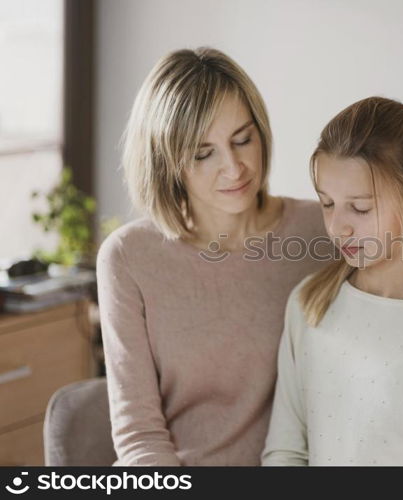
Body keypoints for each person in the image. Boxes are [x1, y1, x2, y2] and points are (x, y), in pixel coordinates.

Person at [96, 47, 327, 465]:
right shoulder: (128, 258)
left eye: (243, 139)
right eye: (204, 153)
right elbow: (140, 436)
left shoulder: (322, 231)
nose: (235, 167)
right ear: (166, 162)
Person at [261, 97, 403, 466]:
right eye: (327, 203)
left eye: (360, 207)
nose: (339, 225)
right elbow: (286, 451)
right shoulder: (309, 303)